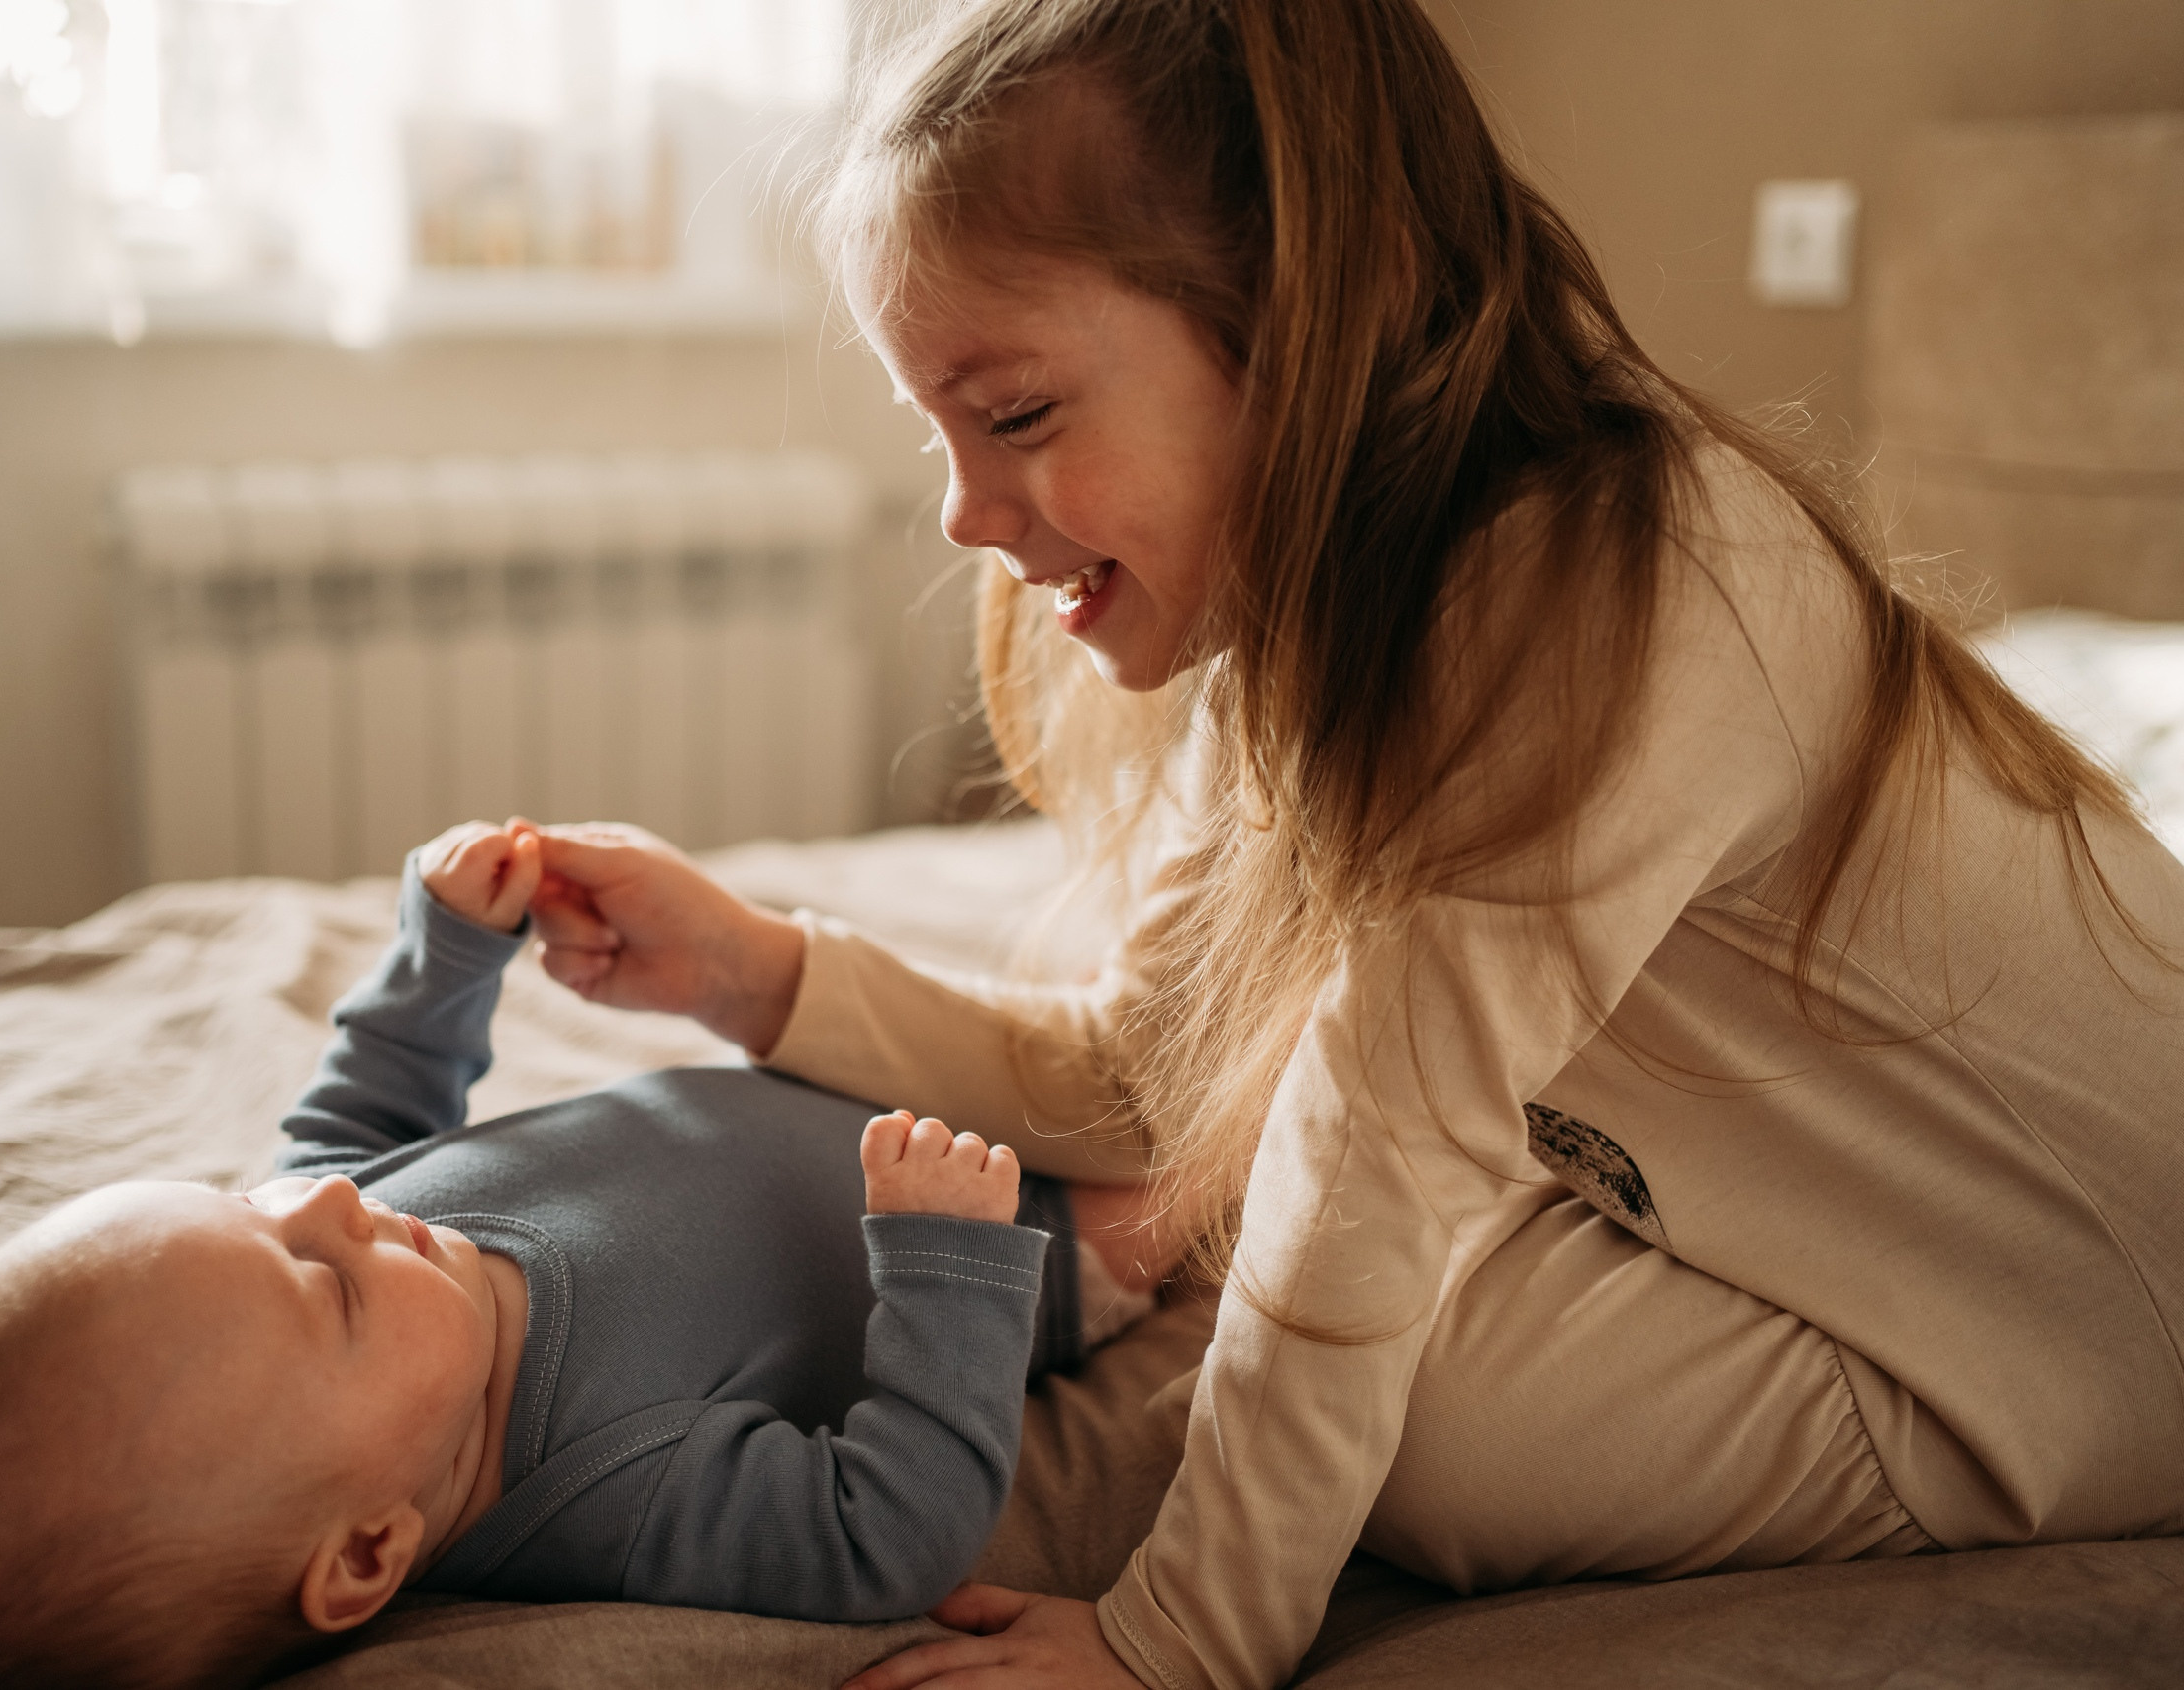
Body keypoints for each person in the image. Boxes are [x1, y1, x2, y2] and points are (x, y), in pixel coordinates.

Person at [515, 3, 2184, 1687]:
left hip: (2060, 1348)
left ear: (1305, 324)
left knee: (1405, 1373)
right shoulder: (1302, 631)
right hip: (1771, 1225)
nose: (961, 513)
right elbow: (1147, 1078)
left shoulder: (1622, 593)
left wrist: (1180, 1641)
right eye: (934, 431)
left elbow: (1364, 1156)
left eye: (1015, 416)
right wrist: (753, 971)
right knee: (1277, 1228)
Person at [0, 822, 1163, 1690]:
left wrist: (442, 961)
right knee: (1201, 1151)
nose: (329, 1207)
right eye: (321, 1288)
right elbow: (886, 1533)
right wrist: (949, 1263)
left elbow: (361, 1107)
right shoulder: (615, 1491)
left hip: (872, 1094)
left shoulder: (342, 1217)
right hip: (1017, 1229)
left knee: (1129, 1035)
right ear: (367, 1553)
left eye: (242, 1206)